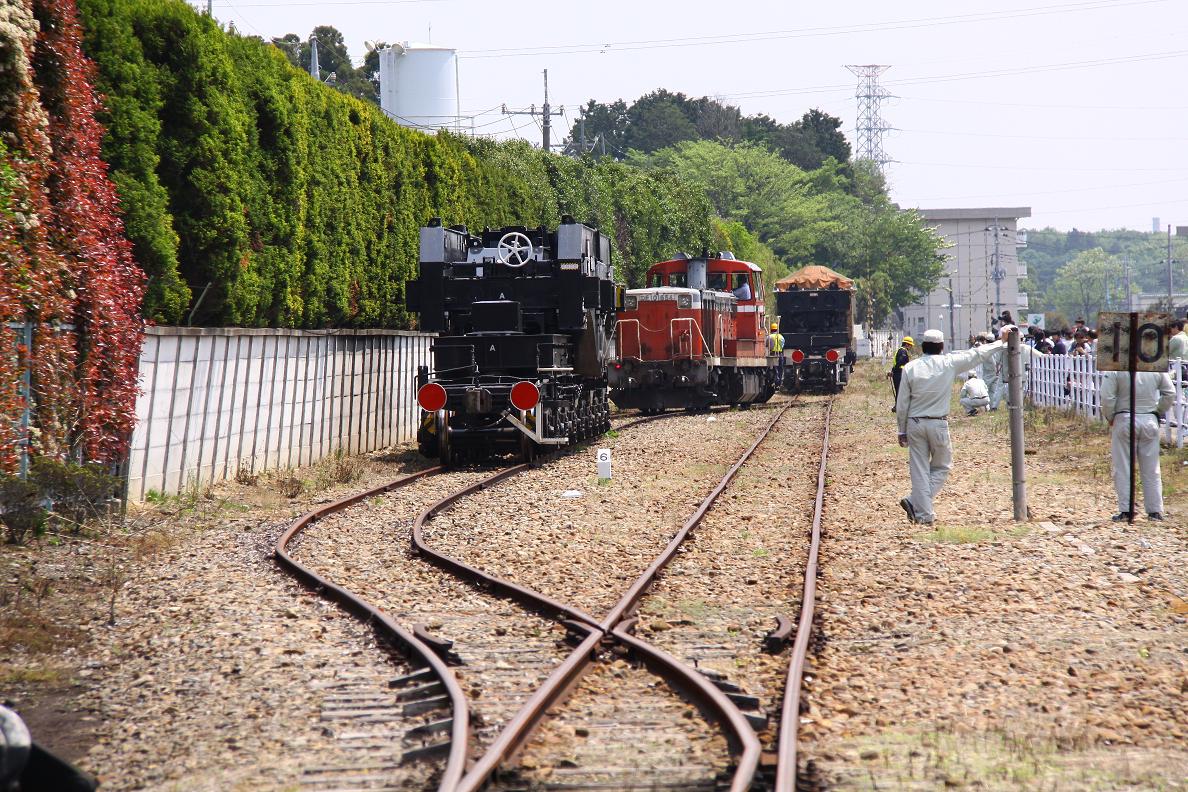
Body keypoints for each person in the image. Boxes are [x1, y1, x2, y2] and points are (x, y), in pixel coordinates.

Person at [895, 327, 1012, 525]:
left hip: (915, 423)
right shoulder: (948, 363)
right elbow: (976, 354)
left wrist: (902, 430)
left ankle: (917, 505)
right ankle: (921, 511)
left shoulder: (911, 367)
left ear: (923, 346)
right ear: (942, 347)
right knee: (942, 466)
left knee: (919, 470)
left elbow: (902, 402)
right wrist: (1001, 341)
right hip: (938, 423)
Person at [1100, 368, 1175, 521]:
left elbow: (1107, 397)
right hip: (1149, 418)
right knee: (1152, 467)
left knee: (1123, 467)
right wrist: (1157, 410)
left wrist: (1110, 416)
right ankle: (1155, 510)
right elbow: (1170, 393)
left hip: (1124, 417)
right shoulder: (1155, 366)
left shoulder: (1116, 367)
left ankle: (1126, 510)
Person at [889, 336, 914, 412]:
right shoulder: (903, 351)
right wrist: (894, 371)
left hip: (898, 373)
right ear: (906, 344)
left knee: (900, 391)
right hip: (899, 373)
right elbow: (900, 362)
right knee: (900, 391)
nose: (910, 347)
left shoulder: (901, 351)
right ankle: (898, 407)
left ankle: (898, 406)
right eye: (910, 345)